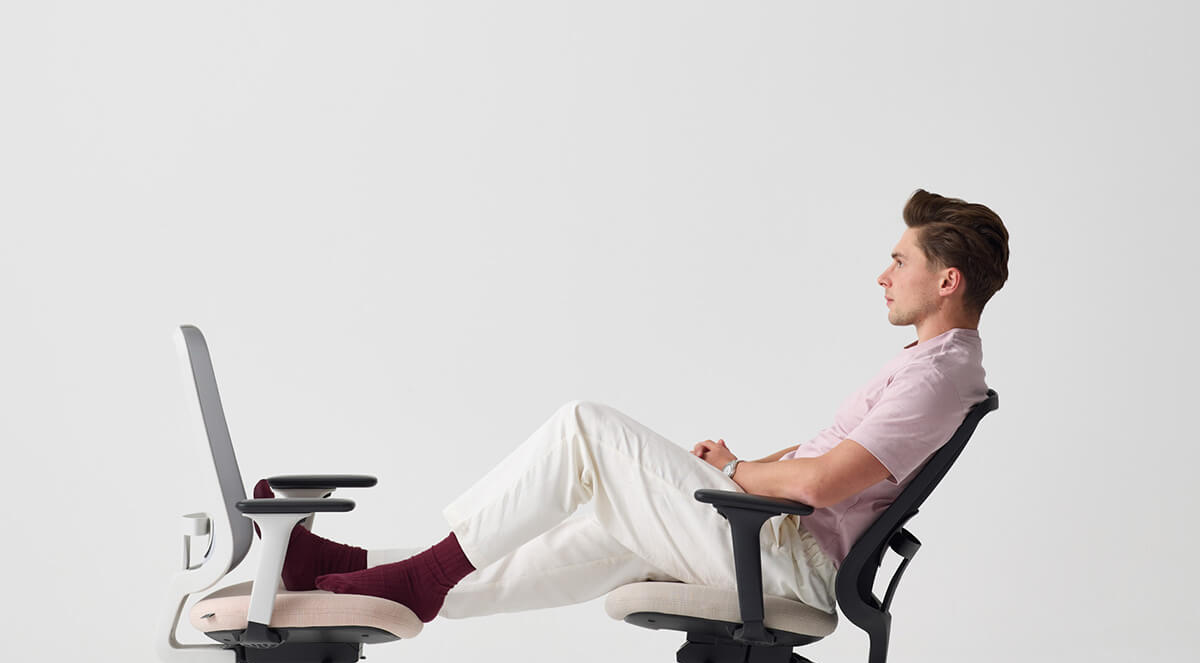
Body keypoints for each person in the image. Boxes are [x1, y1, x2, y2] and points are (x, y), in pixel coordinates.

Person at [262, 188, 1009, 622]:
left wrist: (744, 470)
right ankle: (369, 577)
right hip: (772, 535)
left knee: (585, 428)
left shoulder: (937, 377)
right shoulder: (931, 365)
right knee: (567, 542)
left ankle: (417, 580)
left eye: (901, 261)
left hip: (788, 557)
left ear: (947, 282)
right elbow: (829, 465)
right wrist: (745, 471)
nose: (883, 275)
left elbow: (821, 487)